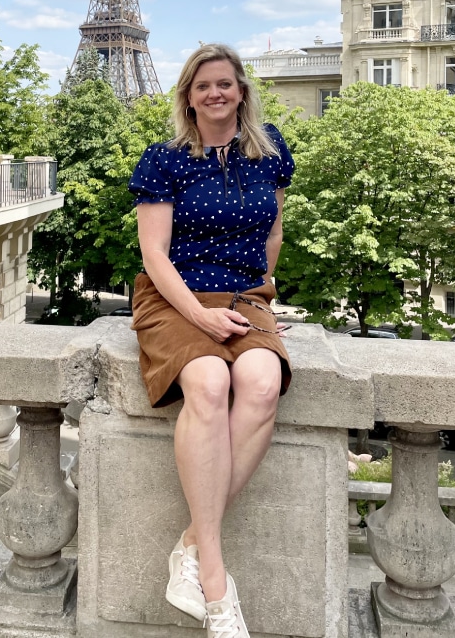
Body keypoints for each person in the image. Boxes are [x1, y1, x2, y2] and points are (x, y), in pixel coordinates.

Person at [128, 44, 294, 638]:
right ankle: (217, 582)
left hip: (245, 294)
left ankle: (192, 544)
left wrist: (262, 294)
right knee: (209, 379)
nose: (215, 93)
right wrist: (200, 316)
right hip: (176, 295)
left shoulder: (269, 151)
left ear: (241, 91)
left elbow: (273, 231)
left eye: (225, 83)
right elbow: (153, 254)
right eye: (203, 86)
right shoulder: (166, 159)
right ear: (188, 96)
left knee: (261, 382)